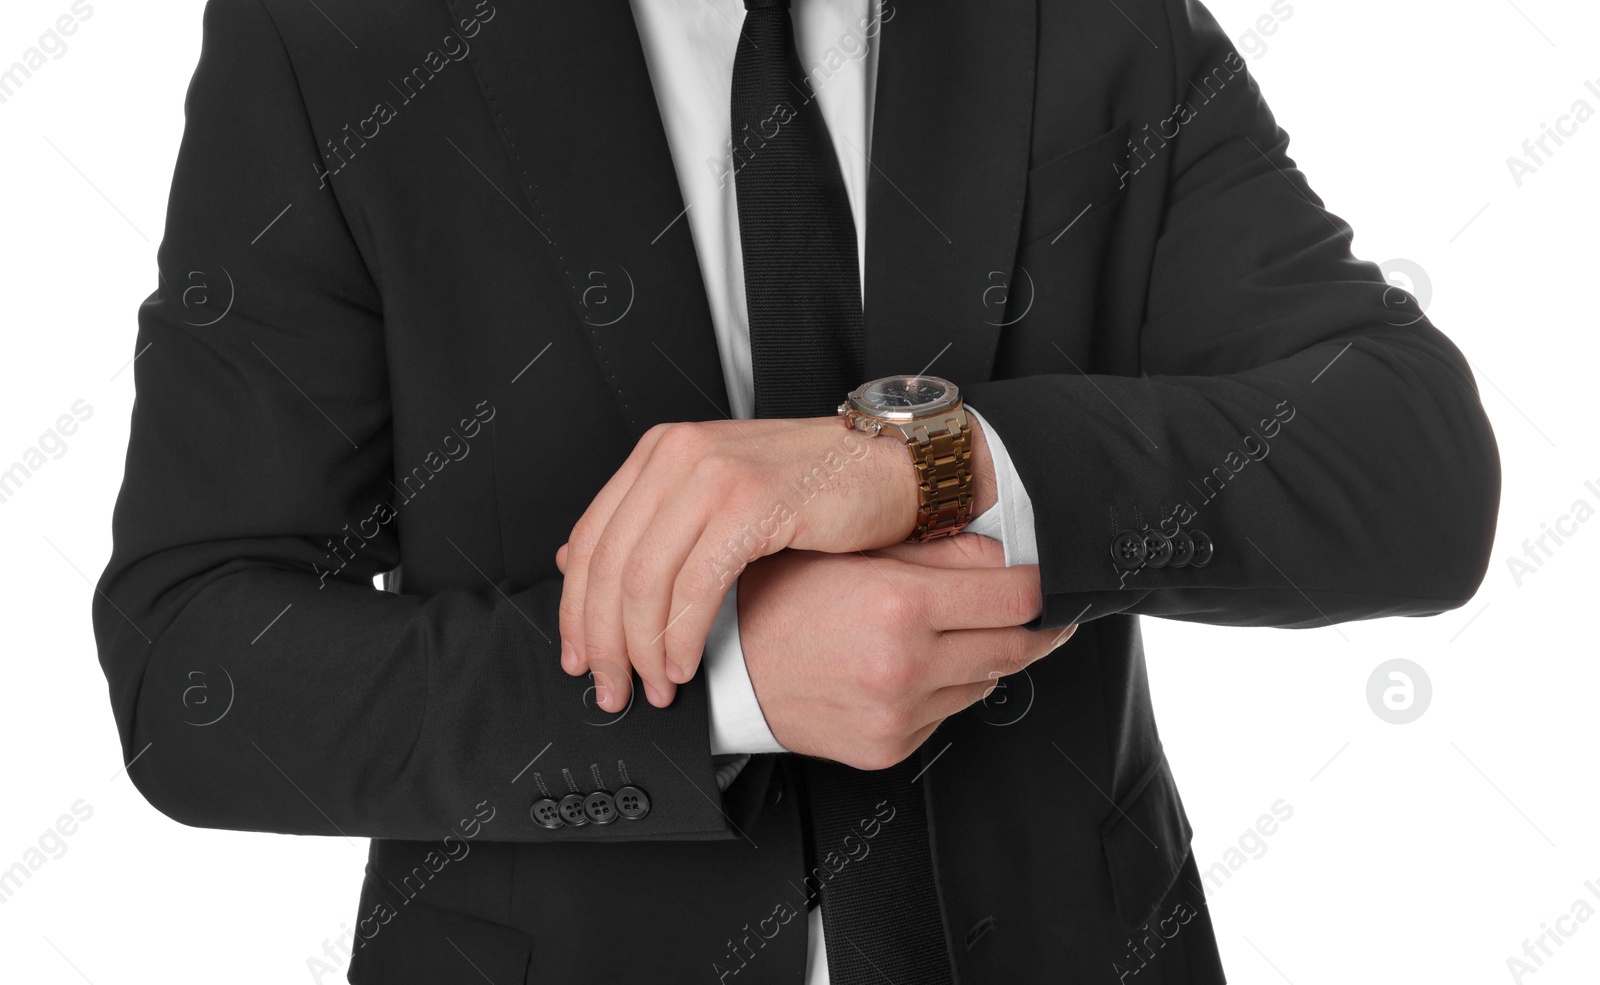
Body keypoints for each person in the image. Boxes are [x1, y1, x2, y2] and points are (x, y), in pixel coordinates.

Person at [93, 0, 1499, 981]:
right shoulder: (336, 38)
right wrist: (728, 681)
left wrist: (933, 463)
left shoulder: (1086, 21)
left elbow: (1414, 466)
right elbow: (196, 661)